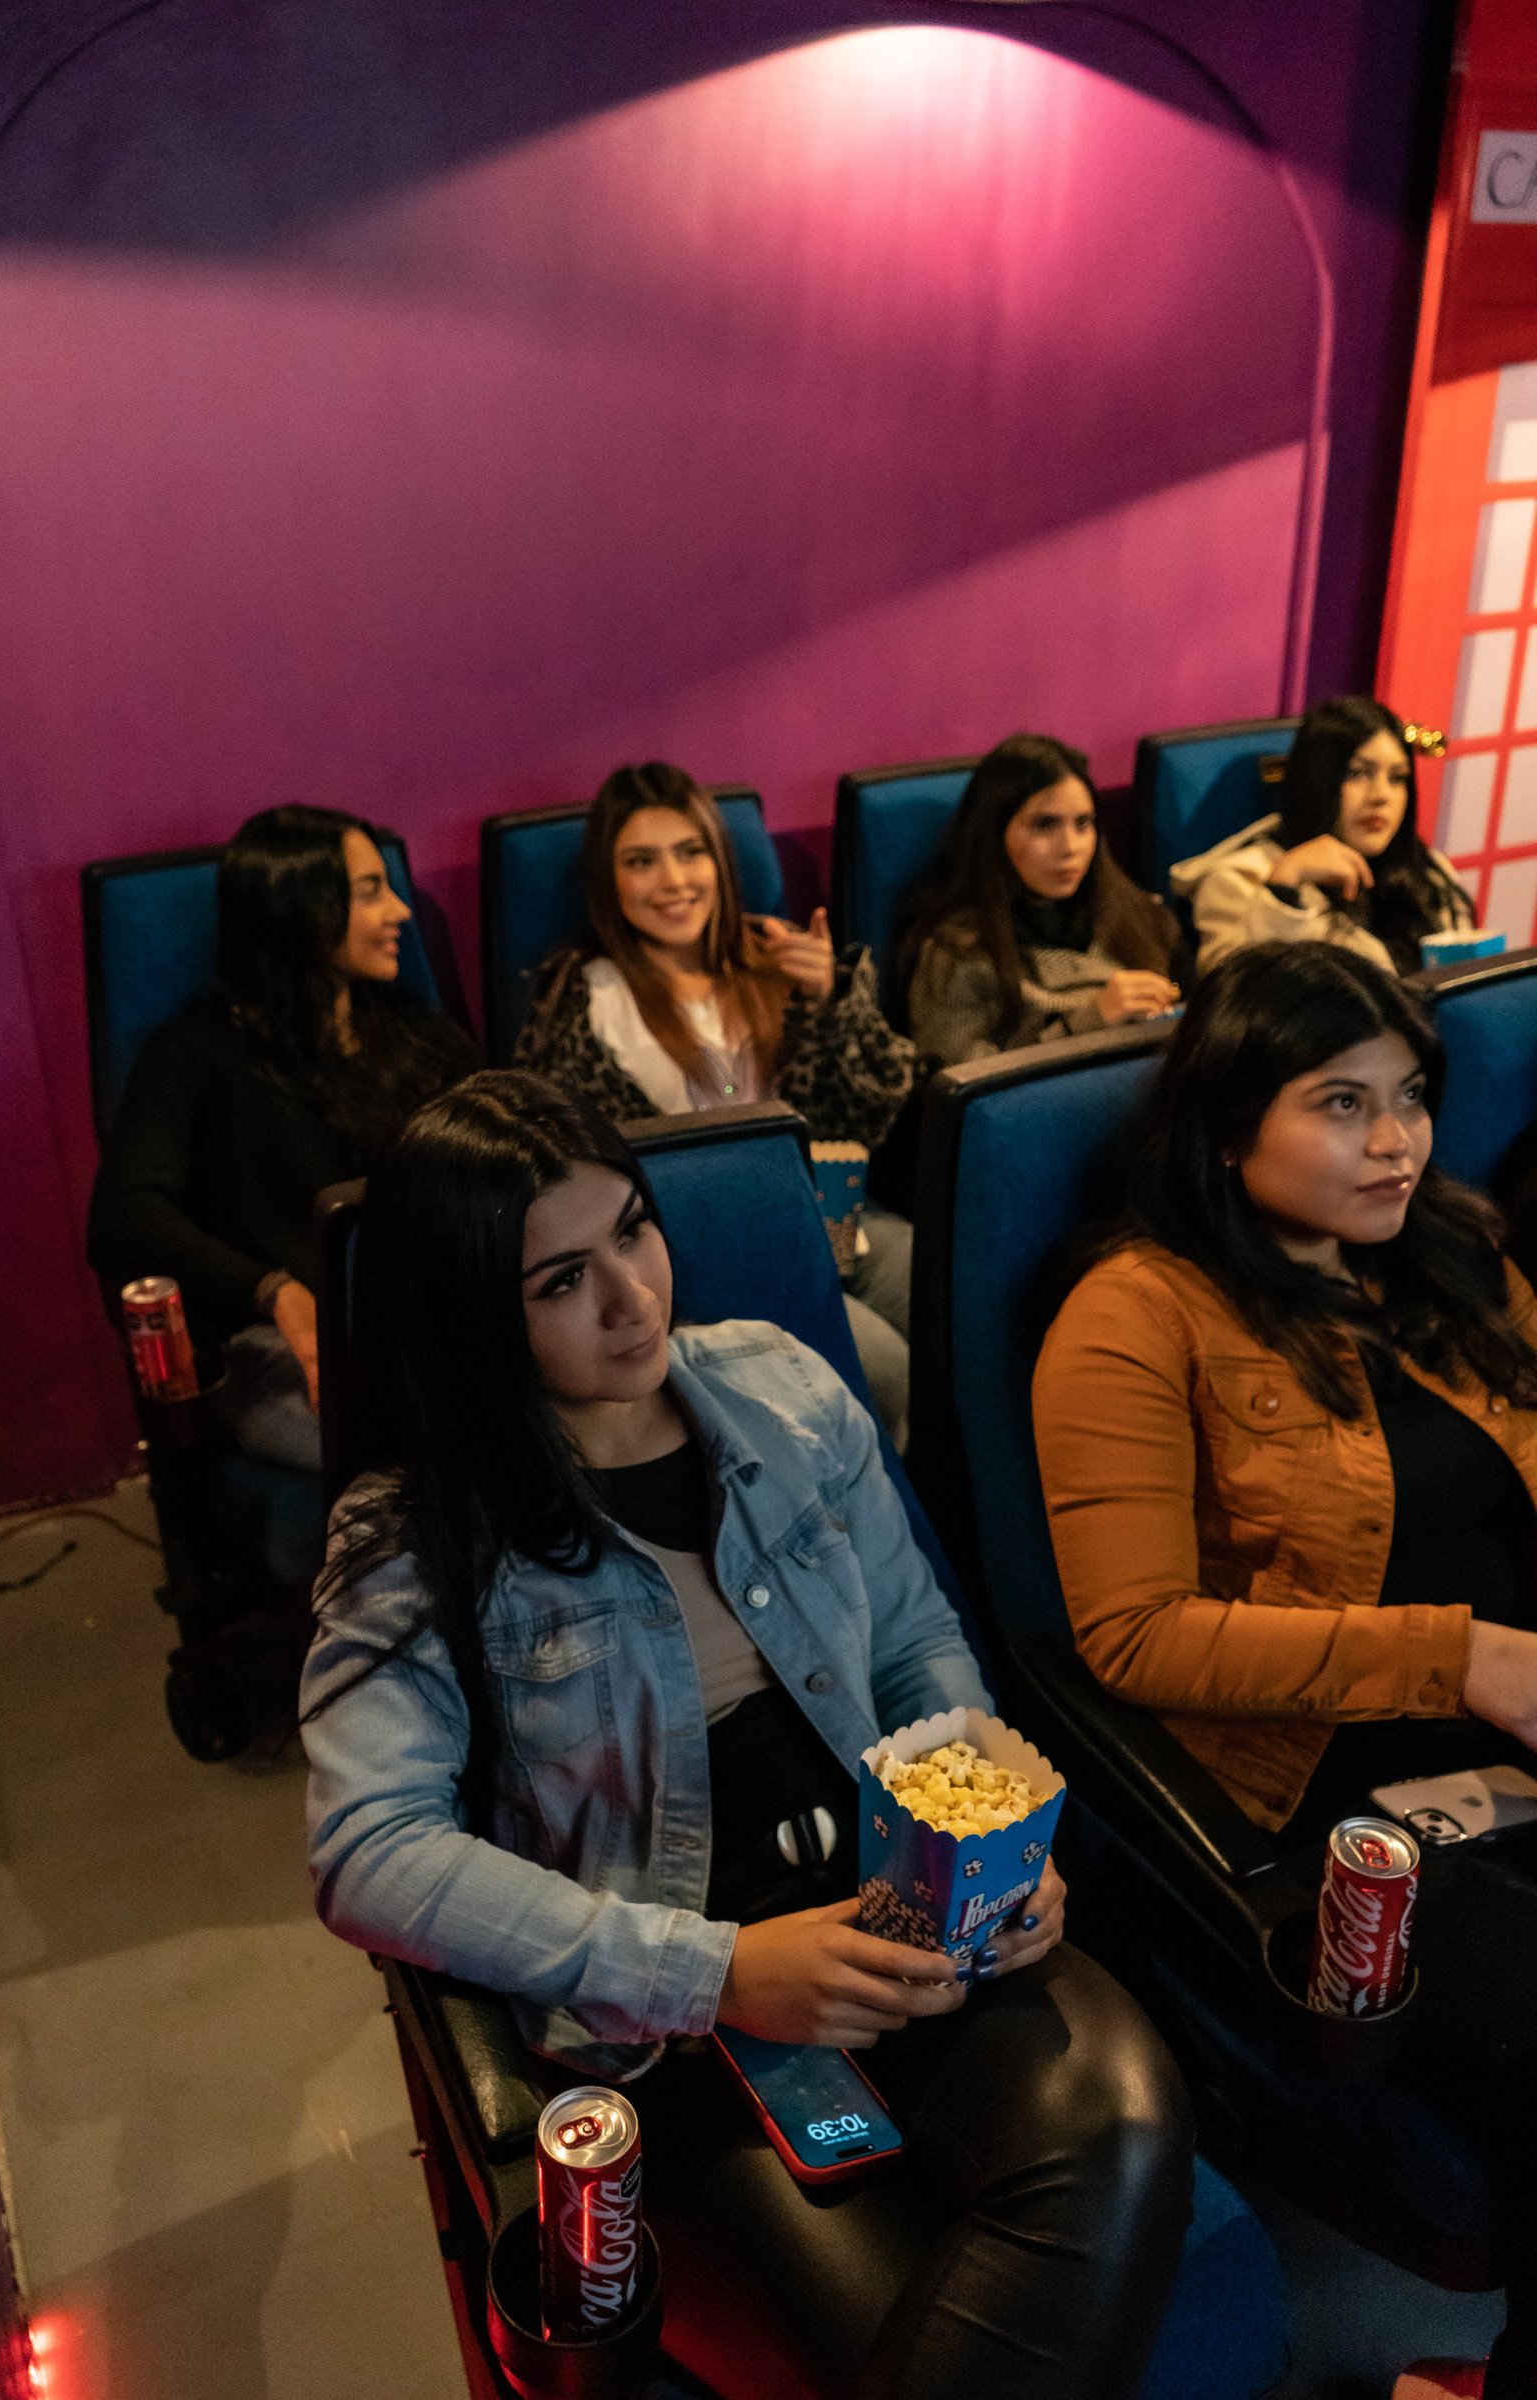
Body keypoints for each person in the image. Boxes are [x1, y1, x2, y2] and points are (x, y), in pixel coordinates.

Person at [300, 1070, 1192, 2400]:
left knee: (1127, 2124)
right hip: (675, 2017)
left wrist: (990, 1836)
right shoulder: (414, 1534)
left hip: (906, 1910)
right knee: (897, 2335)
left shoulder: (782, 1385)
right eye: (561, 1282)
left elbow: (912, 1643)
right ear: (475, 1314)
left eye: (634, 1231)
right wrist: (717, 1972)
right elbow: (367, 1850)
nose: (633, 1298)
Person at [1032, 943, 1537, 2400]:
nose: (1397, 1142)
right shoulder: (1136, 1312)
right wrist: (1466, 1660)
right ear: (1226, 1120)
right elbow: (1135, 1635)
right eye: (1341, 1103)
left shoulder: (1454, 1257)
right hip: (1335, 1797)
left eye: (1410, 1095)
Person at [515, 763, 917, 1441]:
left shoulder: (774, 956)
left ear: (721, 862)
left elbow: (872, 1113)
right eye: (642, 861)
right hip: (704, 1245)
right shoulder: (585, 997)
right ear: (609, 881)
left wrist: (829, 1002)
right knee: (887, 1369)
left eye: (690, 852)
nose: (673, 880)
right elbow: (575, 1173)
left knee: (953, 1295)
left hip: (832, 1214)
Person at [87, 804, 477, 1475]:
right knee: (436, 1461)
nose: (400, 912)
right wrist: (275, 1290)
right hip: (283, 1346)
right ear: (300, 909)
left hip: (442, 1318)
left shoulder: (421, 1036)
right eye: (369, 892)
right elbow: (124, 1218)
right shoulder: (196, 1052)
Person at [901, 735, 1186, 1063]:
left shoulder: (1139, 914)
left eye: (1083, 823)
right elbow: (963, 1086)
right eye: (1045, 825)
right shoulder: (956, 953)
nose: (1070, 847)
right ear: (995, 834)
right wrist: (1089, 1021)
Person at [1170, 696, 1475, 975]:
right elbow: (1228, 995)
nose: (1382, 795)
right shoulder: (1237, 881)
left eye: (1397, 778)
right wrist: (1283, 888)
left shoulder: (1427, 870)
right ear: (1317, 780)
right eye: (1358, 773)